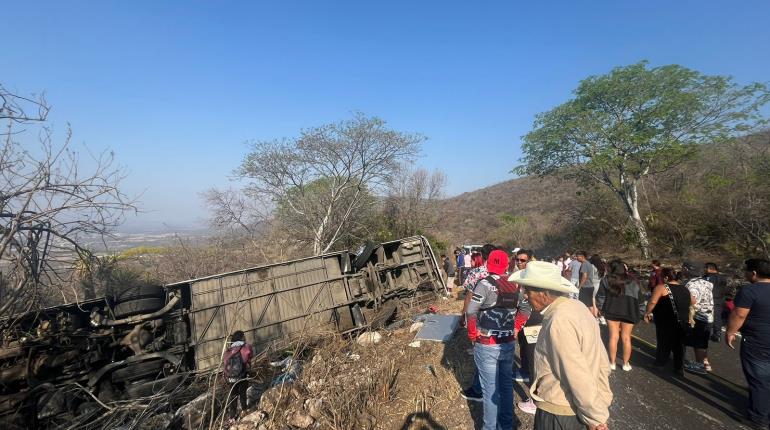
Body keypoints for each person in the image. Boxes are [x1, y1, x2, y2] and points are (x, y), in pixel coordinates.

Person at [510, 261, 611, 430]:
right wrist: (599, 406)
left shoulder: (558, 320)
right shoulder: (577, 307)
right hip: (575, 408)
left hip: (559, 411)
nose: (525, 296)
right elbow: (601, 361)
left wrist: (595, 417)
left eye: (527, 290)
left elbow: (575, 373)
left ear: (542, 293)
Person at [465, 250, 518, 430]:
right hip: (508, 343)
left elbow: (471, 311)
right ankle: (507, 425)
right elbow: (526, 308)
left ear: (488, 264)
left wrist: (472, 333)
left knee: (489, 391)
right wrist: (516, 327)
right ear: (506, 265)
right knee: (506, 386)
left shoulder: (484, 284)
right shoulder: (515, 284)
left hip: (487, 343)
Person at [726, 258, 770, 429]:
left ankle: (759, 418)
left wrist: (730, 332)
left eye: (747, 271)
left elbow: (739, 315)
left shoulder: (750, 290)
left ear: (754, 273)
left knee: (759, 379)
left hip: (757, 340)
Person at [460, 244, 497, 402]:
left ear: (481, 255)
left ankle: (478, 390)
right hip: (499, 319)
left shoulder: (476, 273)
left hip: (480, 318)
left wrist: (464, 315)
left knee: (481, 355)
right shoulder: (503, 274)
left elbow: (469, 296)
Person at [596, 259, 644, 371]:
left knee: (613, 336)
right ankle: (626, 364)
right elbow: (640, 300)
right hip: (629, 311)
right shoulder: (634, 282)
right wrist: (640, 313)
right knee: (626, 338)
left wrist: (600, 309)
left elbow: (601, 297)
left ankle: (612, 363)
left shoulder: (606, 280)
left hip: (611, 311)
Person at [643, 268, 691, 375]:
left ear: (666, 277)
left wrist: (647, 312)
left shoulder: (662, 287)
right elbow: (693, 300)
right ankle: (679, 367)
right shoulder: (685, 288)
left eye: (661, 277)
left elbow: (653, 301)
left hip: (666, 319)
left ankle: (659, 364)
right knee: (679, 345)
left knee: (664, 342)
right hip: (683, 320)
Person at [681, 261, 715, 374]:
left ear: (687, 270)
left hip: (696, 317)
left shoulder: (691, 284)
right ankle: (704, 363)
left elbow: (693, 300)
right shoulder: (706, 283)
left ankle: (699, 365)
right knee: (702, 341)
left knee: (694, 341)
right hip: (708, 315)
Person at [222, 330, 254, 421]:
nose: (245, 337)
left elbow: (225, 363)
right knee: (242, 392)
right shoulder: (246, 346)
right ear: (241, 337)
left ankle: (232, 417)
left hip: (230, 377)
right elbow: (250, 356)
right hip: (242, 373)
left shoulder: (228, 350)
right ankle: (244, 409)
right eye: (244, 336)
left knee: (233, 395)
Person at [704, 262, 727, 342]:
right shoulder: (723, 278)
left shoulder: (707, 277)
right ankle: (717, 334)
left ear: (709, 269)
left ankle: (706, 332)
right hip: (720, 299)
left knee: (706, 315)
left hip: (709, 299)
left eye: (705, 268)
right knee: (717, 316)